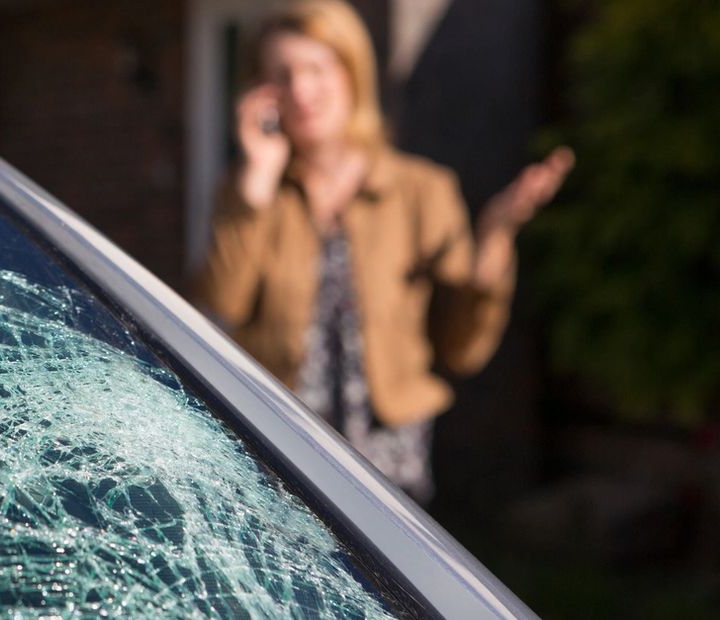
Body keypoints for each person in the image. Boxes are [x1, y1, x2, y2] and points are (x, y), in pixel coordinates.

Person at [191, 0, 573, 503]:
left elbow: (462, 347)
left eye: (315, 69)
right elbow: (217, 313)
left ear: (351, 73)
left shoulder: (423, 191)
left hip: (391, 470)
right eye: (281, 74)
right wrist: (255, 186)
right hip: (276, 458)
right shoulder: (249, 193)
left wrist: (496, 240)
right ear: (260, 93)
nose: (301, 90)